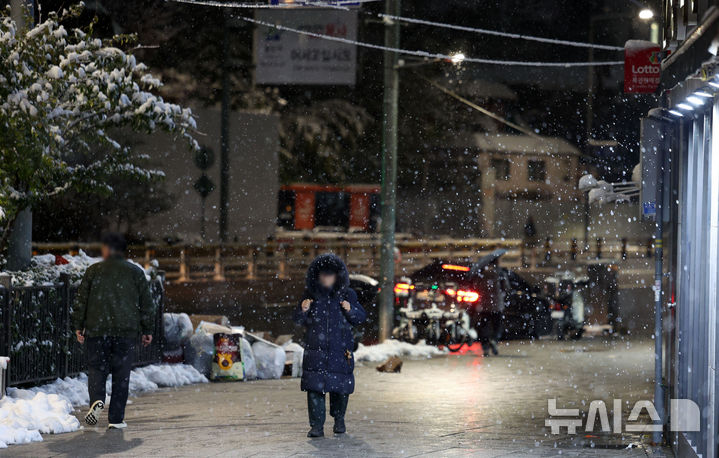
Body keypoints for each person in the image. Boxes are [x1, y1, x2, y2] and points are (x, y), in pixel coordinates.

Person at [71, 232, 155, 429]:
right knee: (121, 375)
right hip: (125, 332)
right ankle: (116, 419)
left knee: (97, 369)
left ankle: (97, 400)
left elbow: (81, 301)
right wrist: (147, 329)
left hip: (97, 330)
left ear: (106, 249)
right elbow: (146, 304)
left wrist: (78, 325)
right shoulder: (135, 272)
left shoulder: (93, 271)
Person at [293, 253, 367, 438]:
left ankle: (339, 419)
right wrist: (303, 311)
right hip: (315, 351)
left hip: (340, 351)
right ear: (317, 276)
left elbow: (360, 317)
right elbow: (297, 319)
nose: (326, 278)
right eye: (323, 275)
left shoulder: (347, 294)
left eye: (330, 274)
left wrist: (350, 309)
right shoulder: (310, 295)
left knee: (340, 389)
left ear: (337, 276)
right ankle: (316, 426)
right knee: (314, 389)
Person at [475, 259, 510, 357]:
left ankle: (485, 347)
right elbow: (506, 287)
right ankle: (494, 340)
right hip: (497, 305)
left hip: (484, 305)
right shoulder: (500, 273)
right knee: (497, 326)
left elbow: (477, 287)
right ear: (497, 262)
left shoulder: (482, 273)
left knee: (484, 327)